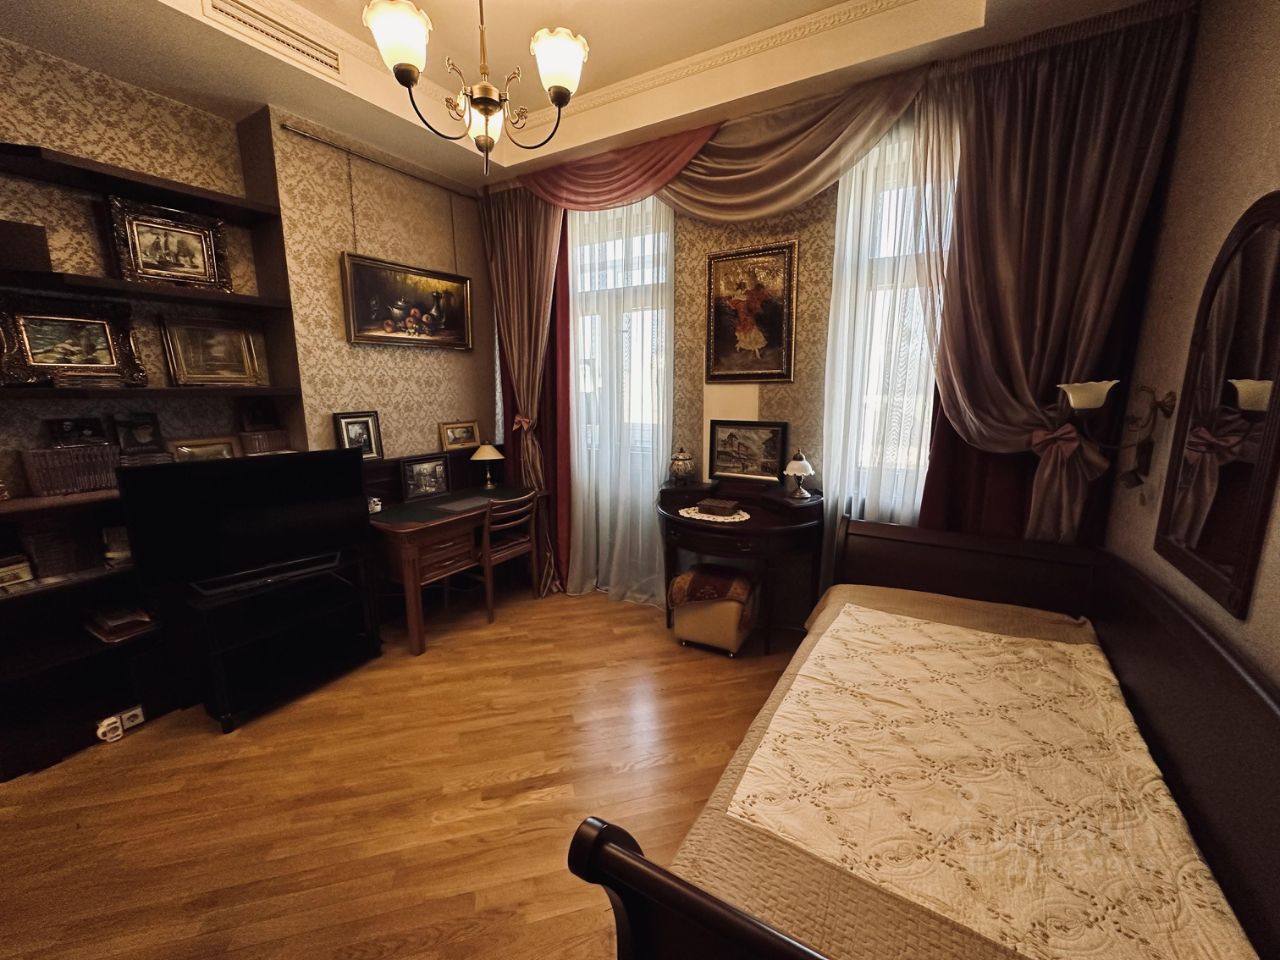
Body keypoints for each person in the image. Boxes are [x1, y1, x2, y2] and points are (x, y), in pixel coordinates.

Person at [727, 280, 769, 359]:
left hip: (746, 317)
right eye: (743, 286)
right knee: (747, 333)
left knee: (751, 333)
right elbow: (733, 305)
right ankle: (750, 350)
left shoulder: (744, 297)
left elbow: (748, 305)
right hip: (743, 318)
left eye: (744, 287)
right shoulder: (739, 299)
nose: (744, 288)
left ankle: (752, 351)